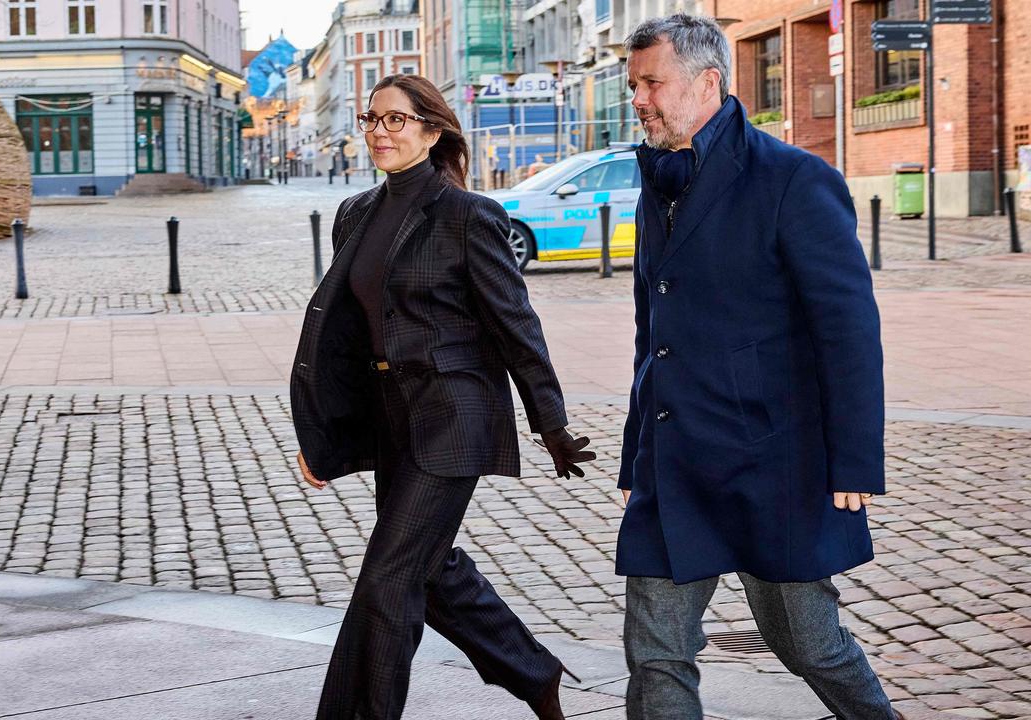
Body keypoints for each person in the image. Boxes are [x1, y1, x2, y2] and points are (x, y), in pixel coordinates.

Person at [615, 14, 906, 720]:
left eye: (652, 82)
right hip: (674, 459)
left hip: (771, 461)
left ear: (707, 81)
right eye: (634, 85)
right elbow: (651, 333)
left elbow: (847, 329)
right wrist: (635, 455)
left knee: (808, 642)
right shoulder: (659, 180)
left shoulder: (795, 180)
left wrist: (855, 461)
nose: (639, 99)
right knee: (656, 653)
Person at [290, 74, 595, 720]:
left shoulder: (468, 215)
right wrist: (323, 436)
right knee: (429, 570)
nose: (379, 131)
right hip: (391, 418)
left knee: (389, 580)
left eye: (396, 120)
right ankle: (533, 671)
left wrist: (551, 424)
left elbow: (516, 326)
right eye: (371, 119)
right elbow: (344, 335)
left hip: (453, 418)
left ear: (432, 131)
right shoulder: (355, 214)